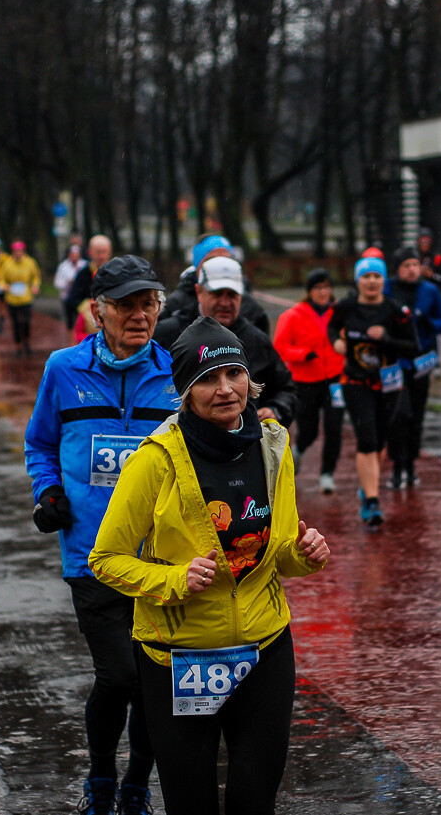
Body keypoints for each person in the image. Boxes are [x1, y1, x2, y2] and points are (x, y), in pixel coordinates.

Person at [88, 315, 330, 815]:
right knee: (191, 804)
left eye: (234, 374)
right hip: (180, 658)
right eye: (207, 380)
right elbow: (105, 559)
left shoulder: (272, 445)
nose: (225, 390)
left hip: (264, 647)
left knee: (254, 799)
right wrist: (175, 579)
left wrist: (305, 556)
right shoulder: (153, 460)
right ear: (185, 392)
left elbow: (279, 549)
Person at [24, 256, 177, 815]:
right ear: (98, 310)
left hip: (160, 559)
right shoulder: (64, 369)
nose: (139, 316)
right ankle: (100, 780)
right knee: (120, 675)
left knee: (154, 684)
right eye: (126, 305)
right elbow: (39, 443)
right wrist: (48, 493)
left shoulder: (175, 375)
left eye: (149, 304)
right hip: (90, 552)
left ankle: (135, 786)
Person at [327, 256, 418, 526]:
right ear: (358, 280)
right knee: (366, 437)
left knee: (379, 440)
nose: (371, 282)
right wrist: (335, 342)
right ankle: (371, 501)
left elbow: (413, 345)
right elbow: (332, 325)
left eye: (377, 276)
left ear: (383, 280)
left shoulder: (395, 311)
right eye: (366, 277)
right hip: (355, 382)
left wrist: (387, 338)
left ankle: (369, 485)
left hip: (388, 384)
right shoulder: (345, 307)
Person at [155, 256, 297, 428]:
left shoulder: (256, 339)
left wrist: (275, 409)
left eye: (232, 295)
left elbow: (286, 388)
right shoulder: (167, 333)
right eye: (217, 294)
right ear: (199, 292)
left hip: (243, 444)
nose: (225, 303)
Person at [272, 268, 345, 494]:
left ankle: (327, 474)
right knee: (309, 429)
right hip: (305, 381)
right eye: (318, 288)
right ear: (309, 291)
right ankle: (300, 449)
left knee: (335, 428)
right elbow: (280, 347)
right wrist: (303, 354)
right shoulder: (294, 315)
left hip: (335, 379)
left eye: (326, 287)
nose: (323, 292)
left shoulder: (340, 313)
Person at [384, 246, 441, 488]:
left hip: (422, 363)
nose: (412, 270)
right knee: (399, 415)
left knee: (416, 416)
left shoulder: (430, 290)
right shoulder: (387, 289)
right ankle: (396, 468)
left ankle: (410, 467)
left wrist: (426, 321)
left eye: (415, 265)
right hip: (395, 361)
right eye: (406, 266)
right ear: (397, 269)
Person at [163, 235, 271, 336]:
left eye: (226, 260)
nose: (219, 264)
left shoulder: (251, 308)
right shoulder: (175, 306)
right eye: (211, 260)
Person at [0, 240, 41, 356]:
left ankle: (27, 342)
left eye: (20, 251)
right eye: (16, 251)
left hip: (26, 298)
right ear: (12, 252)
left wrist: (35, 286)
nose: (18, 254)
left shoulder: (30, 262)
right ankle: (18, 346)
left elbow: (36, 277)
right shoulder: (7, 263)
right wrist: (5, 286)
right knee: (15, 323)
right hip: (12, 298)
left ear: (23, 251)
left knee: (26, 322)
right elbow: (1, 279)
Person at [64, 234, 113, 319]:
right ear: (89, 252)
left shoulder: (117, 272)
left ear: (110, 252)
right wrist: (86, 306)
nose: (101, 256)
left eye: (104, 252)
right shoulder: (83, 274)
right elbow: (72, 300)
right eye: (98, 252)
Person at [54, 240, 85, 325]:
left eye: (77, 255)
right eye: (73, 255)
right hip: (67, 297)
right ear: (69, 255)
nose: (75, 257)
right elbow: (57, 283)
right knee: (69, 321)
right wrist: (68, 282)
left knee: (81, 321)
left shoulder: (84, 265)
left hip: (81, 298)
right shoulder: (63, 267)